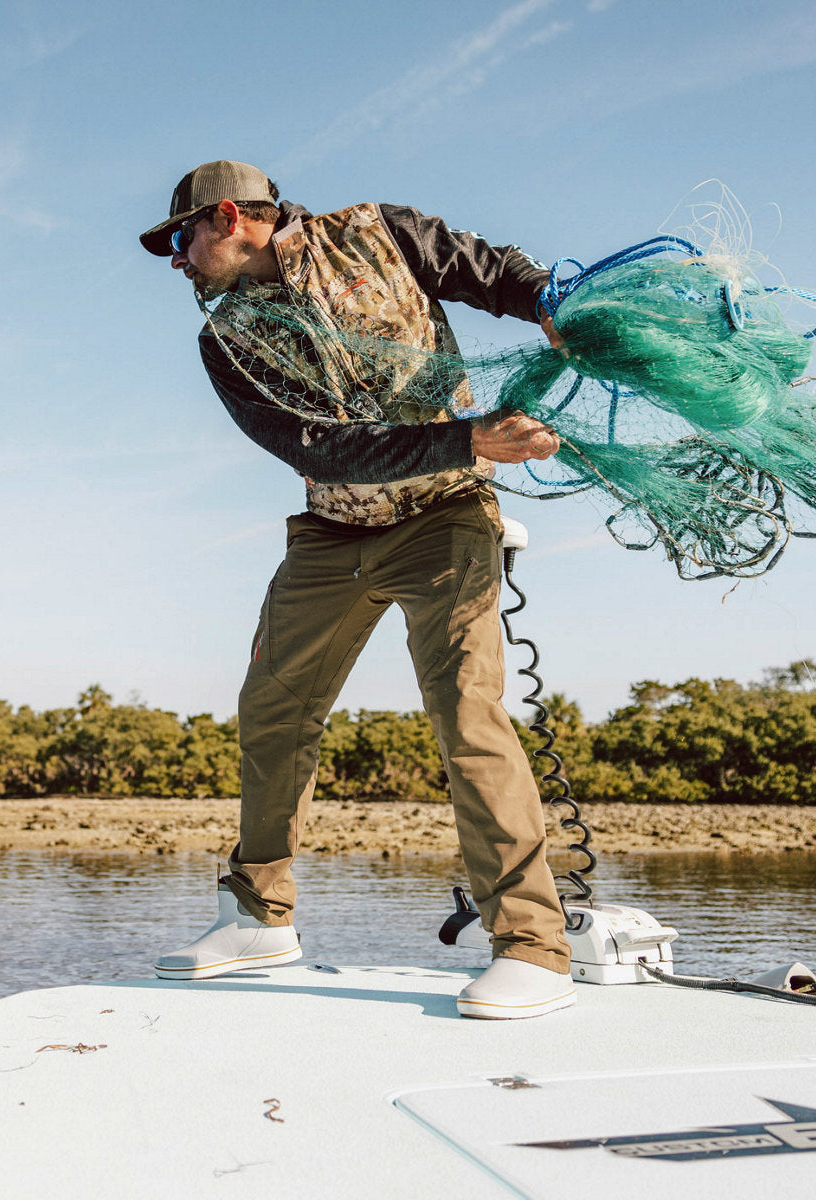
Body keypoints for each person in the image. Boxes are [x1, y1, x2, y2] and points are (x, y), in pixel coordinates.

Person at [140, 160, 574, 1019]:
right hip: (334, 531)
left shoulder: (381, 232)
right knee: (272, 708)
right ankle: (259, 917)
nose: (179, 260)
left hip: (446, 520)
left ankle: (533, 947)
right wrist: (470, 438)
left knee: (468, 714)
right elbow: (315, 448)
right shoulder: (222, 341)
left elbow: (491, 274)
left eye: (182, 239)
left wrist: (554, 310)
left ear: (229, 217)